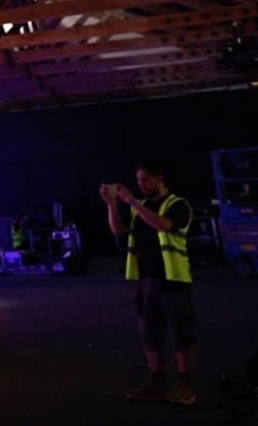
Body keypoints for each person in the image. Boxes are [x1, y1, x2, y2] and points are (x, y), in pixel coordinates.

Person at [101, 163, 196, 405]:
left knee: (181, 333)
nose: (141, 184)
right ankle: (156, 382)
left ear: (160, 179)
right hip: (145, 281)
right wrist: (111, 204)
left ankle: (185, 384)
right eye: (138, 180)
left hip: (172, 279)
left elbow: (163, 225)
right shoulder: (139, 207)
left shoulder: (178, 204)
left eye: (146, 179)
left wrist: (131, 200)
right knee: (150, 334)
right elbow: (118, 231)